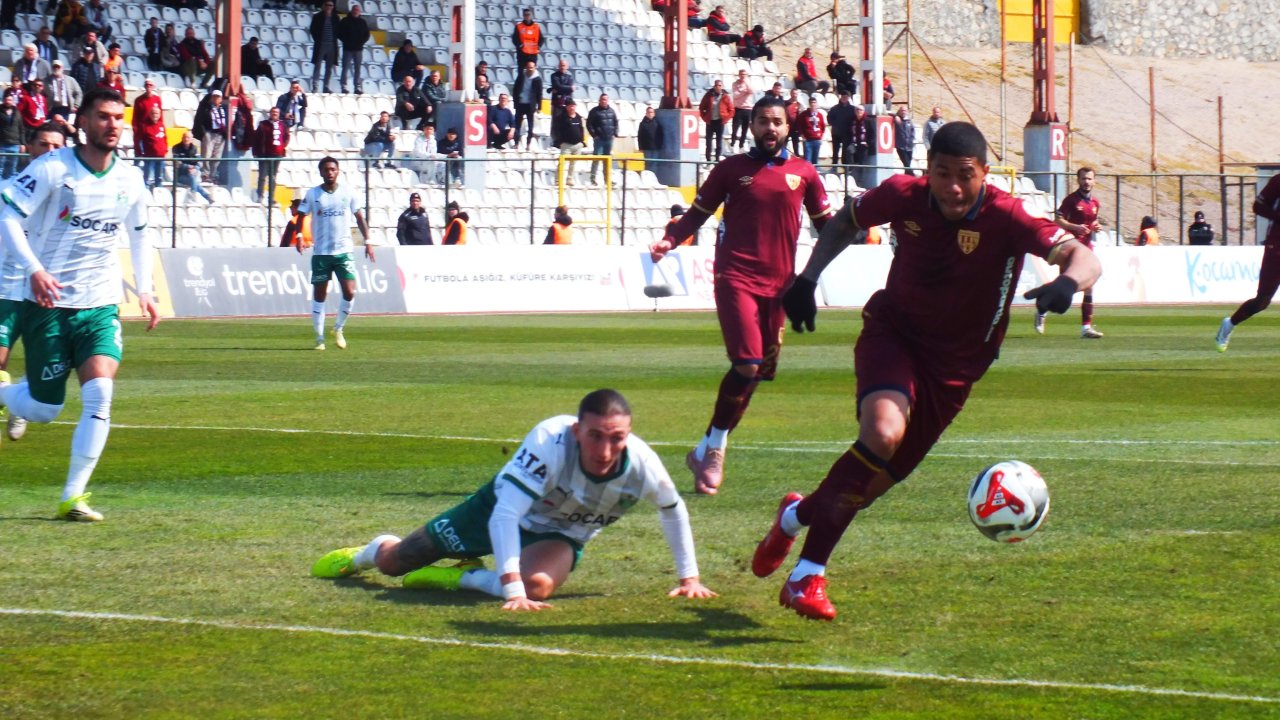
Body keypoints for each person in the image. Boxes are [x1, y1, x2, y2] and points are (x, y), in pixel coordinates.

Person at [750, 121, 1101, 621]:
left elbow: (1083, 256)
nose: (953, 188)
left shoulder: (1008, 215)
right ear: (927, 171)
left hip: (956, 370)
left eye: (965, 175)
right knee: (883, 433)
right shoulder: (902, 194)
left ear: (984, 174)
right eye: (942, 174)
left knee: (863, 491)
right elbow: (845, 221)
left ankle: (793, 517)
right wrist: (807, 280)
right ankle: (808, 575)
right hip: (895, 334)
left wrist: (1068, 283)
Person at [309, 389, 717, 611]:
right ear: (578, 431)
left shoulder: (643, 465)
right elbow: (505, 515)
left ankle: (462, 577)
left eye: (617, 438)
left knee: (537, 587)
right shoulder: (550, 441)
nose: (606, 449)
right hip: (497, 508)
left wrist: (689, 579)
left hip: (559, 532)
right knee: (394, 564)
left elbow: (673, 510)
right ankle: (365, 553)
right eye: (596, 436)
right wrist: (509, 589)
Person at [649, 96, 834, 494]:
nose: (771, 128)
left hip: (780, 287)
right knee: (747, 364)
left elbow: (828, 227)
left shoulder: (805, 173)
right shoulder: (731, 169)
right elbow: (697, 212)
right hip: (736, 277)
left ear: (789, 128)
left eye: (778, 122)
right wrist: (671, 240)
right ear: (752, 127)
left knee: (755, 376)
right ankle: (715, 448)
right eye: (764, 121)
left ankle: (706, 449)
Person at [0, 87, 159, 520]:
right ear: (83, 122)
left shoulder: (131, 178)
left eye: (118, 117)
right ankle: (4, 394)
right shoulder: (54, 168)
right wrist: (34, 268)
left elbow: (141, 233)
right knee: (44, 408)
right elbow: (7, 213)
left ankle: (73, 496)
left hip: (100, 304)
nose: (112, 124)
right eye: (103, 116)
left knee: (100, 394)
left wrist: (144, 289)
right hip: (49, 306)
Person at [0, 122, 64, 445]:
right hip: (7, 289)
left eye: (57, 146)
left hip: (47, 294)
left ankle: (17, 403)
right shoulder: (8, 190)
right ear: (28, 149)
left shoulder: (72, 195)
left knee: (46, 365)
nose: (50, 152)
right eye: (43, 144)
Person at [295, 156, 372, 351]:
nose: (330, 172)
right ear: (321, 172)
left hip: (343, 252)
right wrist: (298, 236)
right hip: (321, 253)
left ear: (338, 171)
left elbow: (359, 217)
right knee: (320, 295)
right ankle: (319, 338)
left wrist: (368, 241)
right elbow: (301, 214)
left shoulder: (348, 192)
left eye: (333, 169)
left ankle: (338, 328)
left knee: (350, 291)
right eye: (326, 169)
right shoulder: (313, 194)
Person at [1216, 173, 1280, 352]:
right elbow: (1258, 206)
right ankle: (1229, 324)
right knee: (1262, 301)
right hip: (1277, 247)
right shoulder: (1278, 181)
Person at [1037, 166, 1103, 337]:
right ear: (1078, 180)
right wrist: (1074, 227)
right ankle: (1042, 307)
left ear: (1094, 181)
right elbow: (1057, 220)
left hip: (1086, 250)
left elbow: (1092, 222)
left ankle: (1086, 328)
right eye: (1083, 178)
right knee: (1064, 287)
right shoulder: (1071, 201)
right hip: (1071, 248)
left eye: (1089, 179)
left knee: (1089, 286)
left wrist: (1096, 227)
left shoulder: (1095, 203)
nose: (1086, 182)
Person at [253, 105, 289, 203]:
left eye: (276, 113)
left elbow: (286, 137)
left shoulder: (283, 125)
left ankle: (271, 197)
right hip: (264, 154)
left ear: (278, 114)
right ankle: (260, 196)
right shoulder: (263, 124)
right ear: (270, 113)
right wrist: (255, 152)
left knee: (273, 177)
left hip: (277, 155)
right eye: (273, 112)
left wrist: (282, 147)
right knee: (262, 176)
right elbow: (256, 139)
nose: (274, 114)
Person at [193, 88, 227, 183]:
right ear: (211, 98)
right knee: (206, 155)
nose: (216, 99)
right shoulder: (206, 107)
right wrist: (204, 133)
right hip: (209, 133)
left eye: (218, 97)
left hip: (220, 135)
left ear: (221, 99)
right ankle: (205, 174)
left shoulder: (223, 109)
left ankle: (213, 175)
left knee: (217, 157)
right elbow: (200, 119)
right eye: (214, 97)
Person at [170, 130, 212, 203]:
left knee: (192, 178)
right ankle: (198, 196)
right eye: (185, 137)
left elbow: (199, 162)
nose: (186, 139)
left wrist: (195, 168)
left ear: (192, 139)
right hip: (180, 175)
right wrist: (188, 167)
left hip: (191, 173)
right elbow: (177, 163)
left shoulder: (194, 148)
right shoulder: (176, 148)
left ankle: (201, 196)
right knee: (193, 180)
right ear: (182, 138)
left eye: (188, 138)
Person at [586, 93, 617, 186]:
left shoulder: (612, 111)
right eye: (602, 99)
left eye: (605, 99)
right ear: (599, 100)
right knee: (596, 159)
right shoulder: (594, 111)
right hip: (599, 140)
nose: (604, 101)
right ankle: (592, 179)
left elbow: (615, 123)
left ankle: (607, 180)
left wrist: (614, 133)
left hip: (609, 139)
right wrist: (594, 135)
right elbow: (589, 124)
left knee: (607, 160)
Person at [697, 79, 732, 162]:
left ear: (722, 86)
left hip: (720, 122)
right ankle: (708, 158)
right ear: (714, 86)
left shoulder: (725, 96)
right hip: (710, 121)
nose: (718, 87)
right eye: (716, 85)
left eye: (719, 85)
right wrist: (705, 118)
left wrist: (725, 119)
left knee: (718, 142)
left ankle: (717, 158)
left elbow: (731, 110)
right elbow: (702, 107)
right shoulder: (709, 95)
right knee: (708, 141)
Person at [337, 3, 368, 94]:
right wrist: (346, 41)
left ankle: (357, 87)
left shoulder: (362, 22)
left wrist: (361, 42)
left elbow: (367, 34)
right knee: (345, 68)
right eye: (354, 10)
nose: (356, 12)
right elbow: (339, 33)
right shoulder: (345, 21)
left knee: (357, 69)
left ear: (359, 12)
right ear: (351, 10)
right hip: (347, 49)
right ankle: (343, 86)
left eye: (357, 10)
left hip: (358, 49)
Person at [309, 0, 339, 93]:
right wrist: (318, 39)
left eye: (331, 5)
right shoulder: (317, 16)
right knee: (317, 66)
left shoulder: (336, 17)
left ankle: (326, 86)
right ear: (324, 6)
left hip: (332, 45)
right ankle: (315, 86)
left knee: (329, 67)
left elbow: (338, 30)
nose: (329, 7)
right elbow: (312, 29)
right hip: (321, 44)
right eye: (327, 5)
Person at [511, 61, 542, 150]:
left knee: (530, 125)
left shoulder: (537, 79)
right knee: (517, 125)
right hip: (520, 103)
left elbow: (539, 93)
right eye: (528, 67)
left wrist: (539, 106)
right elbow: (515, 89)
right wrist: (515, 102)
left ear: (535, 68)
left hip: (530, 105)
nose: (530, 69)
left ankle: (528, 144)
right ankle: (516, 143)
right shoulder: (521, 76)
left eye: (531, 67)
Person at [135, 103, 167, 188]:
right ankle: (146, 198)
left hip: (161, 158)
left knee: (159, 180)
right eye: (153, 113)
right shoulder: (145, 126)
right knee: (147, 180)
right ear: (150, 114)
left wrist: (165, 149)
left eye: (156, 113)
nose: (155, 115)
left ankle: (159, 197)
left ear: (159, 115)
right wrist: (141, 152)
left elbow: (165, 138)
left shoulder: (161, 125)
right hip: (150, 158)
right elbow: (139, 140)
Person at [826, 91, 854, 167]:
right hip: (836, 133)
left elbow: (855, 120)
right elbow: (829, 118)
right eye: (843, 97)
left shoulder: (852, 109)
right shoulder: (834, 108)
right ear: (840, 97)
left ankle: (845, 168)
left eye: (846, 97)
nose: (844, 99)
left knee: (845, 152)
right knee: (835, 151)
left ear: (848, 98)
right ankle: (834, 166)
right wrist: (835, 124)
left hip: (847, 134)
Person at [511, 7, 544, 71]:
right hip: (522, 54)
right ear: (523, 16)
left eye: (528, 14)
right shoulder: (519, 26)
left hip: (533, 54)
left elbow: (541, 39)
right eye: (525, 15)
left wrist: (538, 46)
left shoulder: (536, 27)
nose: (527, 16)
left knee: (532, 72)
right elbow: (514, 39)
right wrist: (520, 46)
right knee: (521, 73)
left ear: (531, 15)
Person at [729, 69, 753, 152]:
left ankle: (741, 145)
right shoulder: (735, 84)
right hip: (738, 108)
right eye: (741, 74)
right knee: (735, 128)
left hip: (747, 109)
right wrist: (745, 92)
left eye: (744, 74)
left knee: (745, 129)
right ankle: (732, 143)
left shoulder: (748, 82)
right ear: (739, 75)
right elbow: (736, 95)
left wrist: (745, 84)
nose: (743, 76)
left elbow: (752, 91)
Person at [797, 96, 825, 166]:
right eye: (811, 103)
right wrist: (803, 136)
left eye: (814, 102)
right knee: (807, 160)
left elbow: (823, 127)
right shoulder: (804, 114)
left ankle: (814, 174)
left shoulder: (820, 115)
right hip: (808, 140)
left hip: (817, 140)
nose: (813, 104)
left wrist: (821, 137)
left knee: (815, 160)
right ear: (809, 104)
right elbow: (799, 126)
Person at [0, 94, 21, 179]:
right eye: (7, 100)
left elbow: (21, 128)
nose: (8, 102)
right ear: (4, 100)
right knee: (0, 168)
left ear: (12, 101)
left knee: (12, 169)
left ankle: (9, 187)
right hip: (2, 144)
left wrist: (22, 143)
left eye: (10, 100)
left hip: (15, 144)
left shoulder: (17, 112)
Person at [894, 105, 916, 175]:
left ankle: (907, 178)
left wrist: (912, 140)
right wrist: (895, 116)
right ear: (899, 111)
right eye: (902, 110)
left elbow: (913, 131)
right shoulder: (897, 119)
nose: (903, 112)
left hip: (909, 146)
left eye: (905, 111)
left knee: (907, 165)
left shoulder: (909, 121)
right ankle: (913, 176)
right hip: (900, 146)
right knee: (906, 164)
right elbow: (887, 113)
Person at [783, 88, 803, 156]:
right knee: (783, 145)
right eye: (793, 93)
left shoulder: (799, 105)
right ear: (790, 94)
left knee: (796, 147)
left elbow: (801, 117)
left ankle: (797, 161)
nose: (794, 95)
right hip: (786, 127)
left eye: (796, 94)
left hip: (795, 129)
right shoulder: (785, 103)